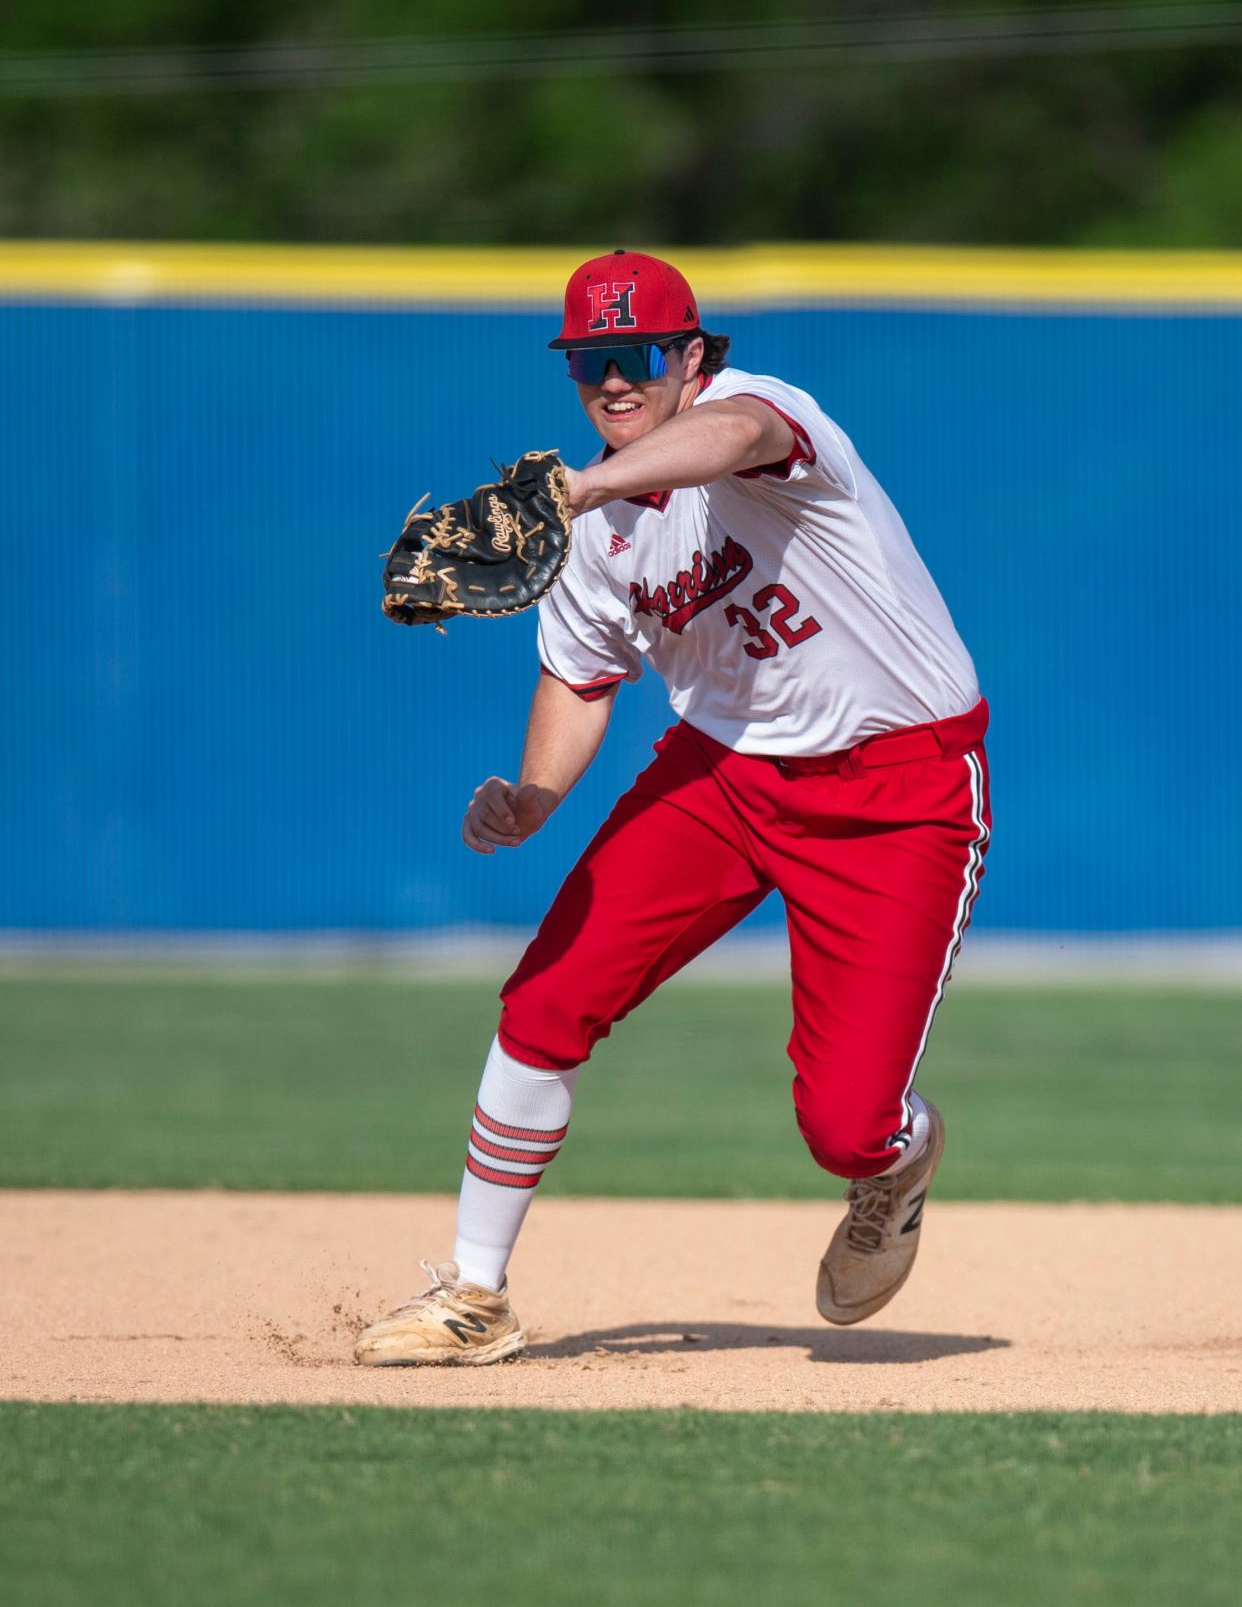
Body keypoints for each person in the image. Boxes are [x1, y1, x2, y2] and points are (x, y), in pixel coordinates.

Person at [355, 249, 991, 1367]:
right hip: (723, 775)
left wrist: (585, 483)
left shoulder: (765, 420)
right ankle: (474, 1293)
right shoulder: (590, 536)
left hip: (899, 789)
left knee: (844, 1124)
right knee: (546, 997)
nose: (611, 380)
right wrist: (534, 794)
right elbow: (580, 678)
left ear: (691, 359)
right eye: (590, 360)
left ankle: (897, 1162)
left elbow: (736, 439)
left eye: (636, 355)